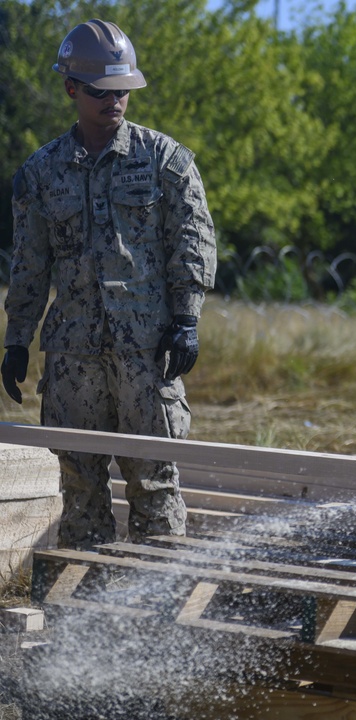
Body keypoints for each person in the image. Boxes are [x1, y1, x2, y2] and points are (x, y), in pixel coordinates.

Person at [1, 19, 217, 549]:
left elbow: (192, 242)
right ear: (71, 88)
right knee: (79, 486)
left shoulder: (165, 161)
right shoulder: (41, 173)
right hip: (74, 357)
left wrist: (187, 318)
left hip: (148, 355)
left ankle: (155, 611)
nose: (115, 101)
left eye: (124, 91)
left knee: (155, 482)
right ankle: (83, 608)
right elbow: (30, 265)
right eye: (102, 92)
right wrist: (15, 341)